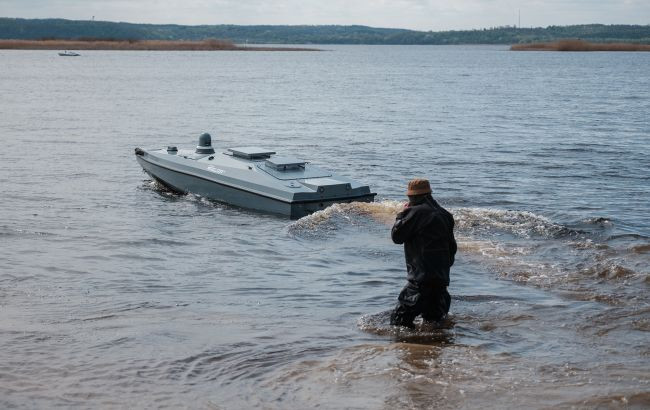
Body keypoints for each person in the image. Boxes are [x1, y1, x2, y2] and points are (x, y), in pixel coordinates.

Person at [390, 178, 457, 328]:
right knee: (435, 325)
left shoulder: (415, 213)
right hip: (441, 283)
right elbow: (452, 249)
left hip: (419, 283)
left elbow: (397, 237)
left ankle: (412, 349)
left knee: (398, 325)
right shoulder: (445, 214)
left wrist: (402, 214)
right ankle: (435, 349)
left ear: (413, 197)